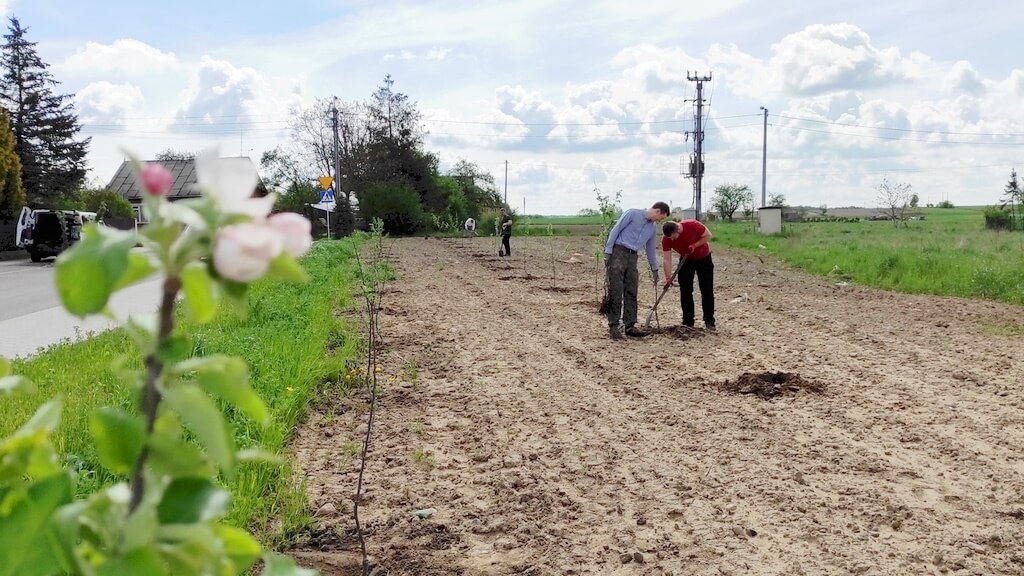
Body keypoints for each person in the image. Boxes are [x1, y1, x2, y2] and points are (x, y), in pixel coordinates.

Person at [604, 201, 670, 339]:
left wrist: (654, 268)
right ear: (658, 211)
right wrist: (608, 252)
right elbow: (616, 229)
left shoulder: (652, 228)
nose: (660, 221)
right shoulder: (632, 213)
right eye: (661, 217)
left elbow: (651, 249)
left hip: (633, 257)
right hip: (618, 253)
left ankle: (630, 326)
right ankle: (613, 326)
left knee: (632, 291)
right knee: (615, 290)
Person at [661, 218, 715, 331]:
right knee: (685, 290)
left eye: (673, 236)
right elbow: (667, 259)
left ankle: (709, 321)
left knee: (706, 290)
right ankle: (688, 320)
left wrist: (695, 245)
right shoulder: (666, 239)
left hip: (703, 258)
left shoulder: (693, 225)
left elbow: (708, 236)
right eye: (669, 238)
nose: (672, 239)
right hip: (686, 260)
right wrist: (668, 278)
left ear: (678, 230)